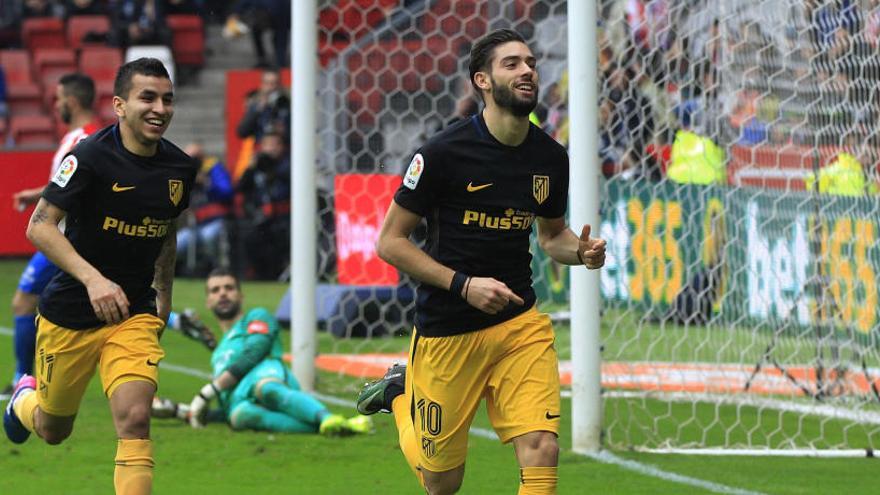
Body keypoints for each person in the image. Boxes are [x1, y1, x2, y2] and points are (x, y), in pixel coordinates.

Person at [356, 29, 606, 495]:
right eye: (511, 63)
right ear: (483, 81)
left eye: (530, 62)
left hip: (519, 325)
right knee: (442, 484)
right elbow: (390, 242)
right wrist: (464, 284)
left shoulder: (551, 158)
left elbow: (552, 237)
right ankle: (401, 392)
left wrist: (582, 252)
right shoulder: (441, 155)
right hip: (448, 329)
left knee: (542, 448)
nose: (527, 69)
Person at [3, 58, 197, 495]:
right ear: (120, 105)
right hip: (70, 312)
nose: (160, 108)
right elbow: (39, 225)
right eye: (147, 97)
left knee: (135, 419)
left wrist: (163, 292)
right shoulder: (89, 155)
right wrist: (93, 280)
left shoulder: (181, 169)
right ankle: (24, 401)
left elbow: (166, 233)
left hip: (133, 312)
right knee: (54, 429)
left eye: (167, 99)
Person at [152, 269, 372, 436]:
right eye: (215, 290)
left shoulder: (257, 317)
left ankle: (328, 416)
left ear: (240, 295)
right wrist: (179, 411)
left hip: (272, 384)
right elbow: (226, 410)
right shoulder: (218, 355)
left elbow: (255, 351)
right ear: (208, 302)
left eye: (229, 288)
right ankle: (335, 427)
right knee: (239, 416)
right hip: (244, 402)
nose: (223, 294)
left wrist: (210, 391)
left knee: (265, 387)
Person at [5, 73, 100, 397]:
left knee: (24, 302)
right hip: (64, 236)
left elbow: (78, 188)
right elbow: (62, 184)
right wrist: (35, 194)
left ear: (71, 102)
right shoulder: (78, 137)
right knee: (96, 302)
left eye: (59, 98)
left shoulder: (84, 140)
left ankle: (21, 381)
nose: (56, 104)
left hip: (62, 238)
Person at [175, 142, 234, 277]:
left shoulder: (214, 169)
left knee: (209, 236)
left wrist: (207, 182)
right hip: (195, 226)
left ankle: (219, 272)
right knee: (178, 244)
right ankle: (185, 273)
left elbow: (227, 192)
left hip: (216, 222)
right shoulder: (185, 174)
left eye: (195, 157)